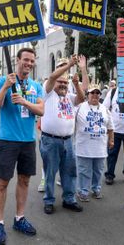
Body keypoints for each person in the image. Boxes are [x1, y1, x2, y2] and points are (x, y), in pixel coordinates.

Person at [0, 48, 44, 243]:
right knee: (3, 182)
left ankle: (19, 218)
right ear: (18, 60)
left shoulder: (35, 86)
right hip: (8, 140)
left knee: (25, 180)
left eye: (32, 61)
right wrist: (5, 87)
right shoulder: (4, 81)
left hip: (28, 141)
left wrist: (23, 102)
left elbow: (41, 110)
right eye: (26, 60)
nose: (29, 63)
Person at [40, 55, 85, 215]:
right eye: (61, 82)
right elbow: (53, 76)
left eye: (65, 83)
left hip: (68, 141)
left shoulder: (69, 97)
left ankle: (69, 199)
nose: (63, 85)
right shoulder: (48, 91)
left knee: (69, 172)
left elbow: (81, 97)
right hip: (50, 140)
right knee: (50, 172)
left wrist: (76, 81)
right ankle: (49, 200)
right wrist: (69, 65)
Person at [75, 84, 114, 202]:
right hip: (83, 146)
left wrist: (111, 140)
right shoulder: (80, 107)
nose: (95, 95)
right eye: (92, 93)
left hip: (100, 148)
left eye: (97, 93)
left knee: (98, 171)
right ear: (87, 95)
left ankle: (96, 189)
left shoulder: (104, 109)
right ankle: (83, 191)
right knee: (84, 171)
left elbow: (110, 127)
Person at [103, 88, 124, 185]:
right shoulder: (113, 92)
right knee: (112, 154)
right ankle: (110, 174)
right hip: (115, 130)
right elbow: (105, 108)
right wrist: (108, 124)